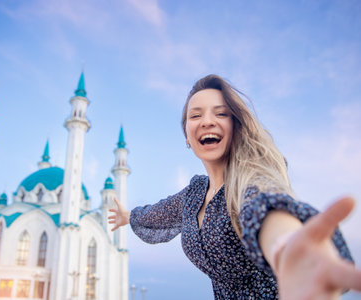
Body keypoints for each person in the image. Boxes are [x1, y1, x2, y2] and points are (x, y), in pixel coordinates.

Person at [108, 74, 361, 299]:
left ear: (235, 126)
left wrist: (288, 251)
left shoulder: (251, 182)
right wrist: (127, 216)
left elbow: (265, 211)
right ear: (187, 134)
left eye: (221, 113)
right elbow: (158, 212)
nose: (207, 121)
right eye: (195, 115)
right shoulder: (194, 194)